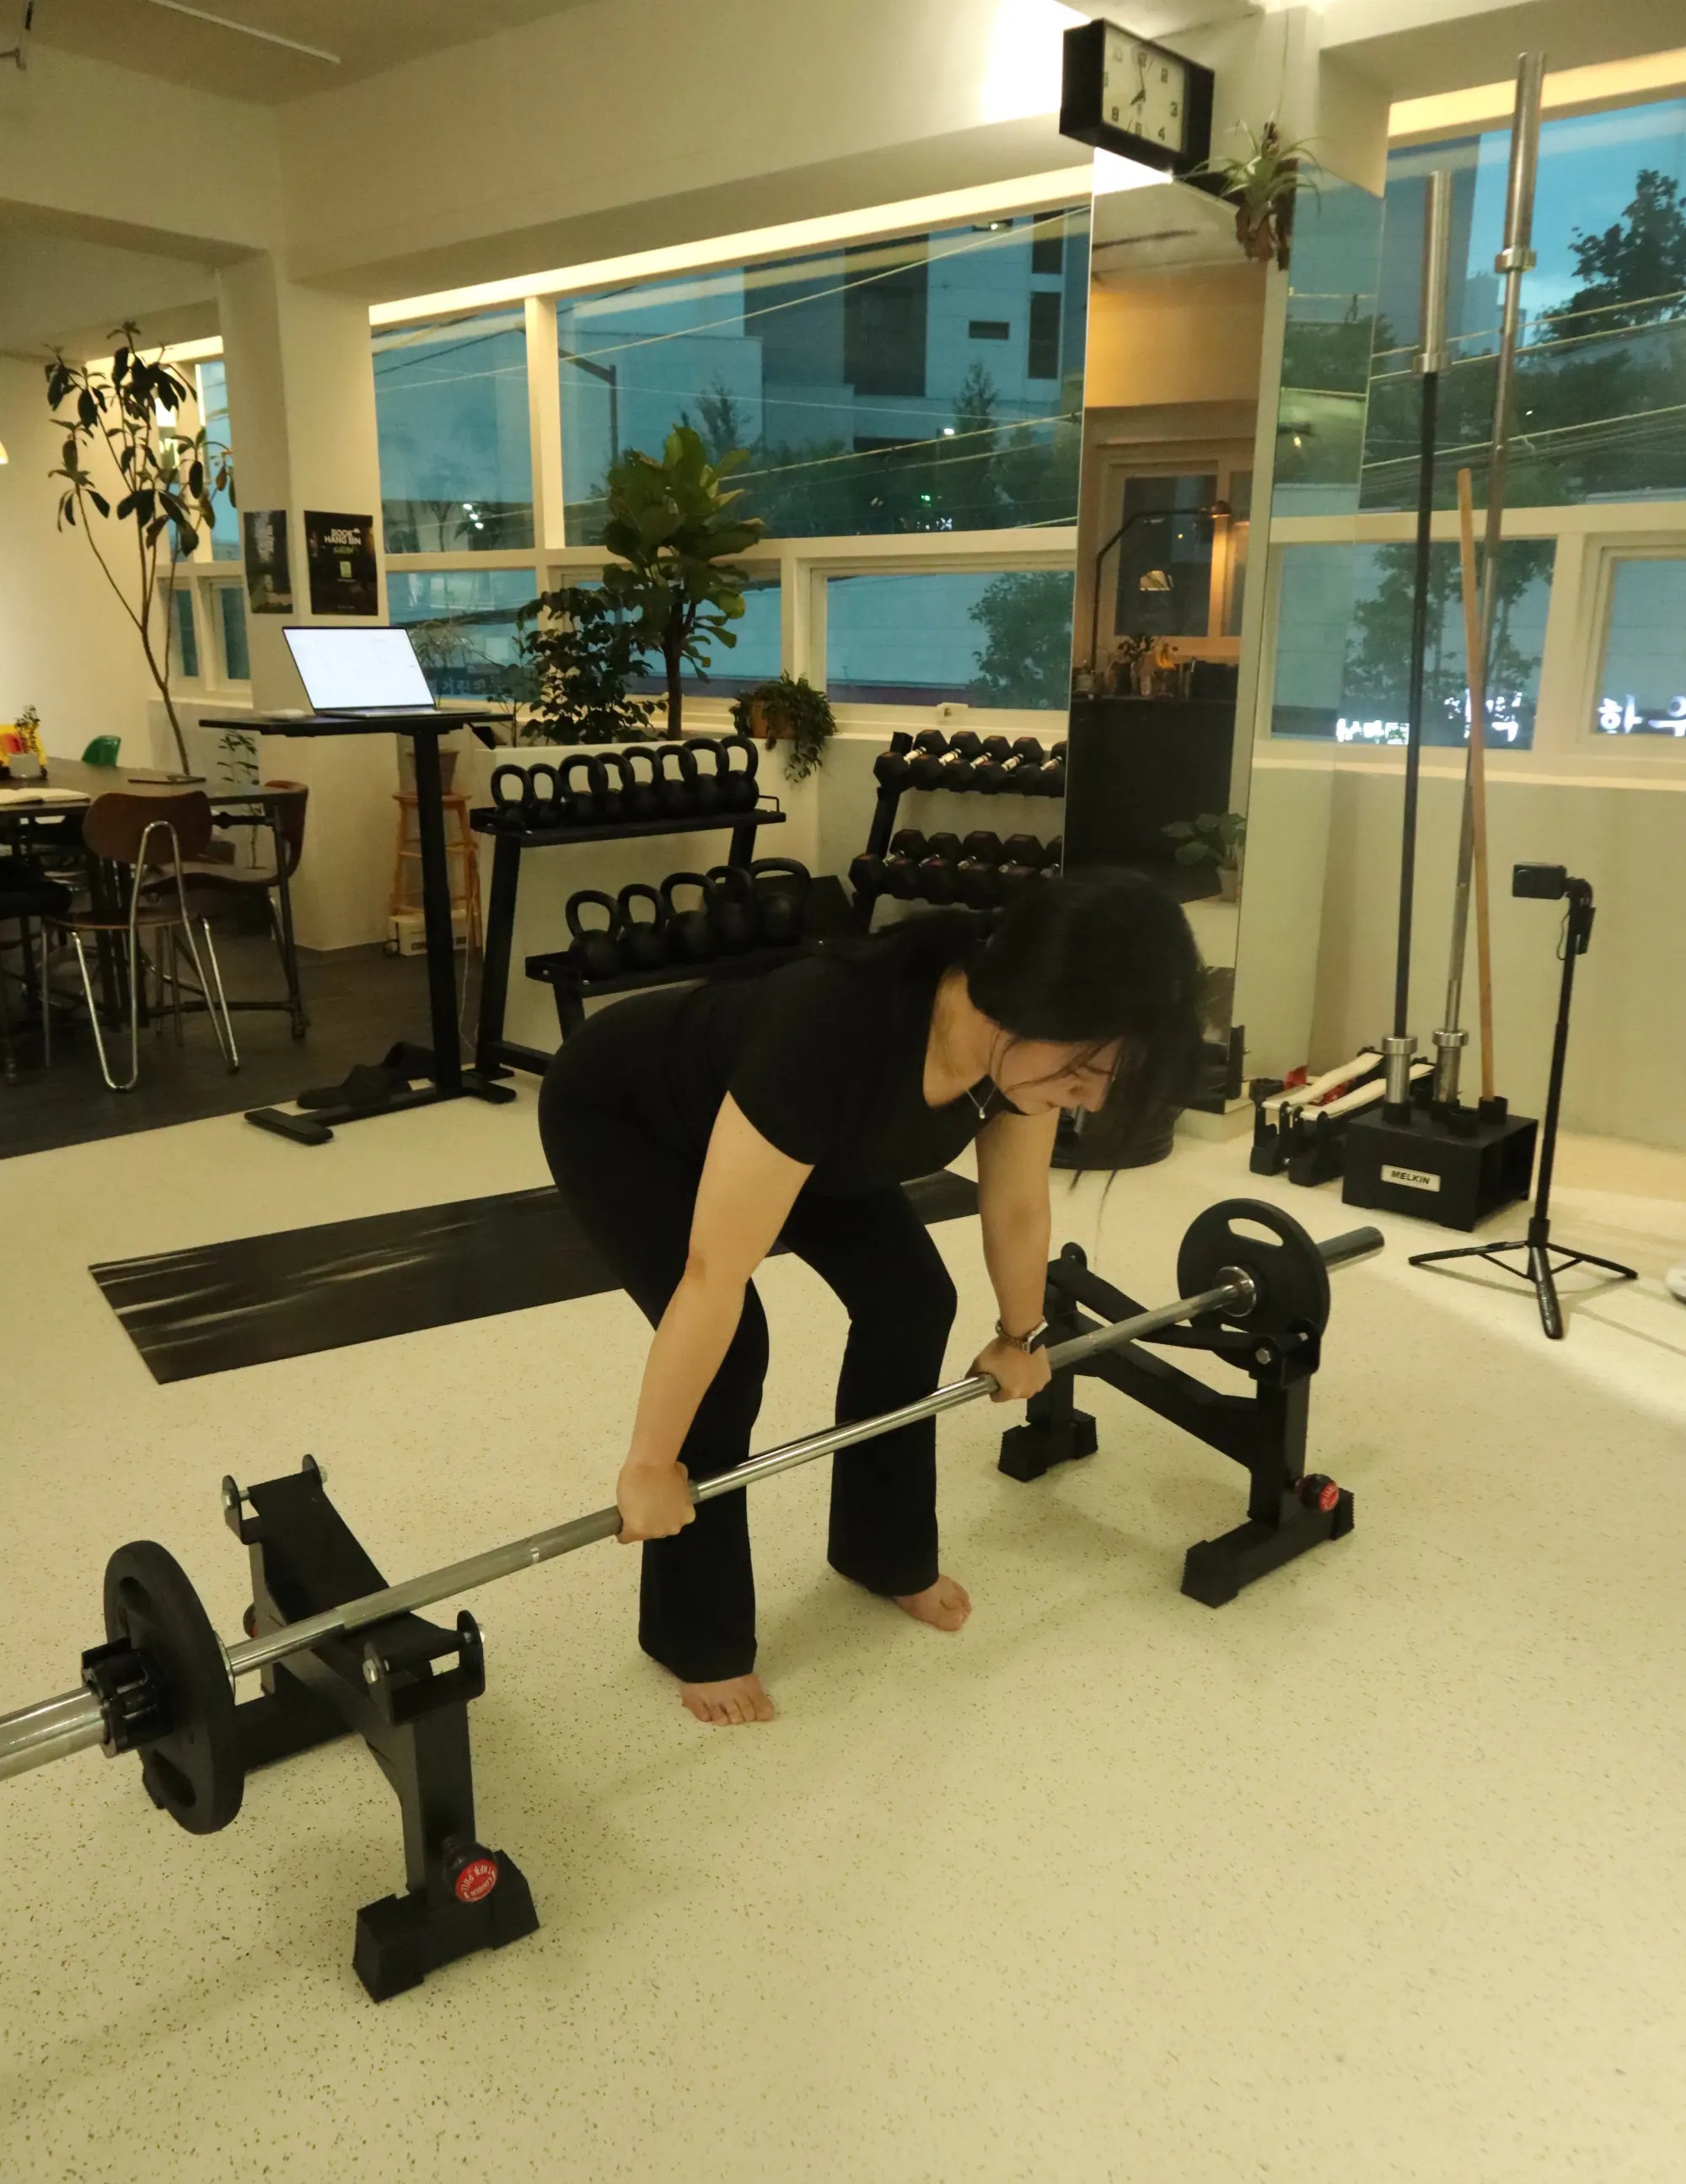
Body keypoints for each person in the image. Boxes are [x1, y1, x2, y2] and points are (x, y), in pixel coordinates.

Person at [539, 871, 1202, 1725]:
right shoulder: (831, 1031)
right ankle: (696, 1635)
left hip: (806, 1134)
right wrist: (650, 1465)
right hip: (634, 1119)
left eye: (1109, 1075)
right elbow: (712, 1275)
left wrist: (1021, 1335)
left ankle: (882, 1552)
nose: (1093, 1097)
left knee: (911, 1297)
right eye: (1087, 1069)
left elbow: (1014, 1202)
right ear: (1031, 1004)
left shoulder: (1017, 1051)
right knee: (732, 1352)